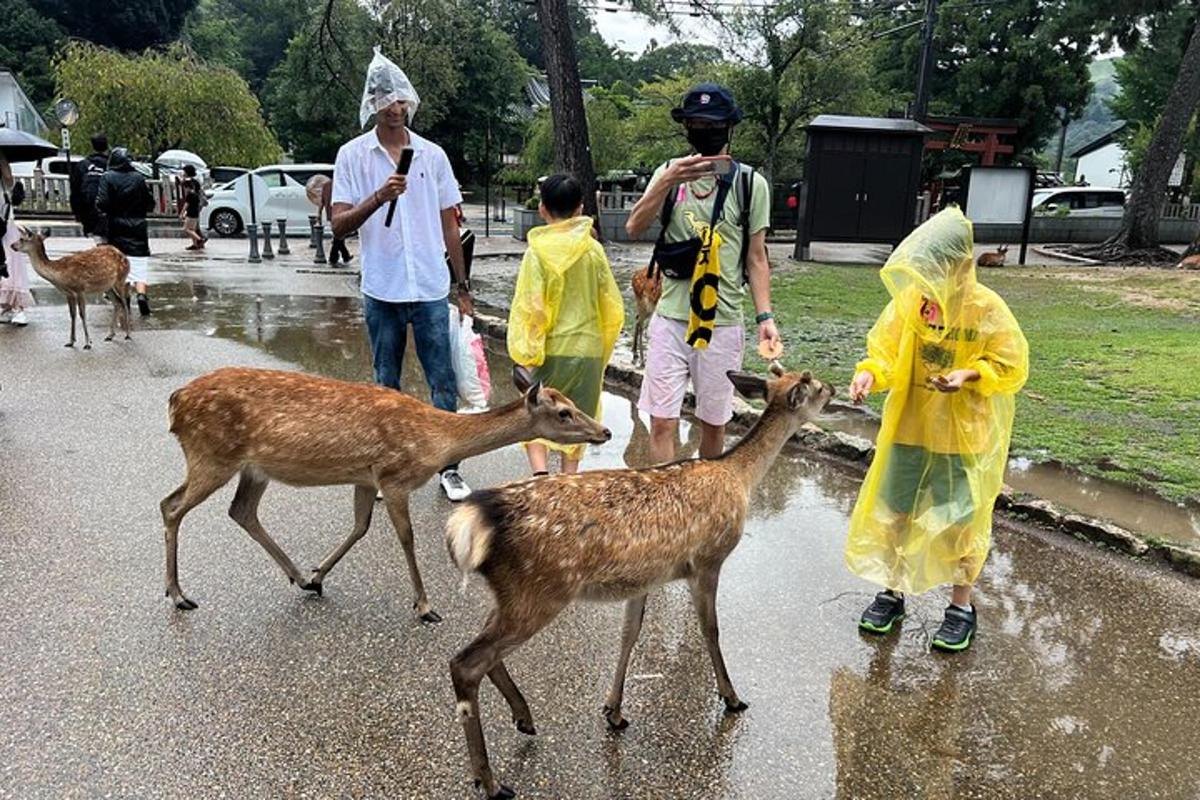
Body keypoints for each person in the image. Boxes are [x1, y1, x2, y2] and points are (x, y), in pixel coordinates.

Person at [845, 207, 1029, 652]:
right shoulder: (912, 304)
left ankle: (960, 608)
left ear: (961, 263)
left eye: (939, 267)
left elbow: (1011, 365)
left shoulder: (987, 309)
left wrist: (968, 376)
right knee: (896, 515)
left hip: (962, 438)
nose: (931, 277)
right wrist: (870, 374)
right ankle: (891, 592)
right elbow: (885, 351)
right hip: (909, 429)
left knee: (960, 526)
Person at [330, 47, 474, 501]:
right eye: (385, 99)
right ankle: (385, 468)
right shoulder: (353, 156)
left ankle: (448, 466)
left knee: (442, 380)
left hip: (430, 286)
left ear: (409, 102)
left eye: (400, 99)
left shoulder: (431, 155)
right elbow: (338, 224)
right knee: (384, 384)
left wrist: (462, 285)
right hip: (383, 287)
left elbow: (450, 222)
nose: (394, 107)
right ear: (372, 103)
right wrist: (379, 195)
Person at [625, 82, 779, 463]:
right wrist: (665, 182)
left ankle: (702, 501)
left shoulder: (750, 184)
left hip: (721, 321)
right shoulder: (668, 174)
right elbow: (633, 227)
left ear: (728, 127)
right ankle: (670, 504)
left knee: (713, 423)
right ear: (686, 128)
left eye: (712, 123)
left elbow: (757, 259)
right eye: (695, 122)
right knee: (661, 421)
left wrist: (766, 316)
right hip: (672, 317)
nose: (704, 129)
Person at [507, 174, 624, 476]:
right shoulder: (593, 250)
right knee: (578, 419)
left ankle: (540, 477)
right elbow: (609, 302)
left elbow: (531, 306)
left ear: (542, 209)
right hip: (587, 350)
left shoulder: (537, 252)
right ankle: (568, 481)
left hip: (551, 349)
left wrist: (526, 351)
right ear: (580, 208)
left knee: (535, 413)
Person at [96, 147, 155, 316]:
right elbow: (149, 202)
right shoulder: (138, 178)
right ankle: (142, 295)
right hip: (138, 226)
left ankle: (125, 300)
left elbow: (102, 202)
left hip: (116, 226)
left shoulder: (107, 177)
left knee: (122, 266)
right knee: (140, 265)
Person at [0, 153, 32, 326]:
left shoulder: (4, 176)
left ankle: (18, 307)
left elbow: (8, 178)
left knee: (11, 263)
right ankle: (5, 306)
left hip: (4, 223)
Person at [69, 133, 109, 239]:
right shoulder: (111, 165)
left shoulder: (82, 166)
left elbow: (75, 191)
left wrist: (77, 213)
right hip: (107, 212)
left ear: (92, 146)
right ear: (107, 146)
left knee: (95, 242)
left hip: (87, 212)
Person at [319, 178, 353, 266]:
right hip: (339, 212)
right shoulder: (341, 184)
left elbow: (322, 201)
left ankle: (344, 256)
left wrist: (318, 214)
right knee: (339, 236)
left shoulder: (326, 186)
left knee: (339, 236)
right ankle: (334, 258)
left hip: (330, 214)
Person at [179, 165, 207, 250]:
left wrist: (182, 213)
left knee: (187, 228)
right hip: (197, 207)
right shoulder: (195, 182)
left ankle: (200, 239)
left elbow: (186, 203)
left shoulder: (189, 191)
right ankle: (195, 244)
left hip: (191, 210)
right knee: (193, 228)